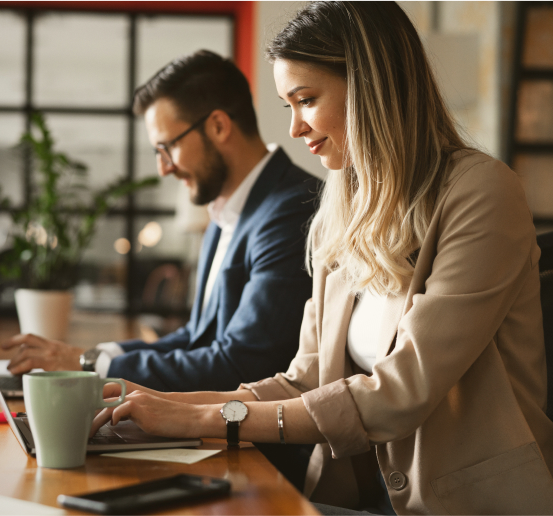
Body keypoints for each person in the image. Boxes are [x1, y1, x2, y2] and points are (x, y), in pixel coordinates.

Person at [89, 2, 553, 514]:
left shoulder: (482, 193)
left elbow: (400, 392)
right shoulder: (342, 206)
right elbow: (304, 379)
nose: (294, 128)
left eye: (306, 100)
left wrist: (201, 420)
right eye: (288, 105)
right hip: (363, 498)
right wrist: (162, 405)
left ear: (373, 86)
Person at [3, 50, 319, 393]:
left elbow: (240, 364)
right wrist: (92, 356)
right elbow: (197, 338)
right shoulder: (224, 213)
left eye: (167, 147)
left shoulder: (292, 209)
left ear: (218, 126)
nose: (163, 168)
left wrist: (87, 364)